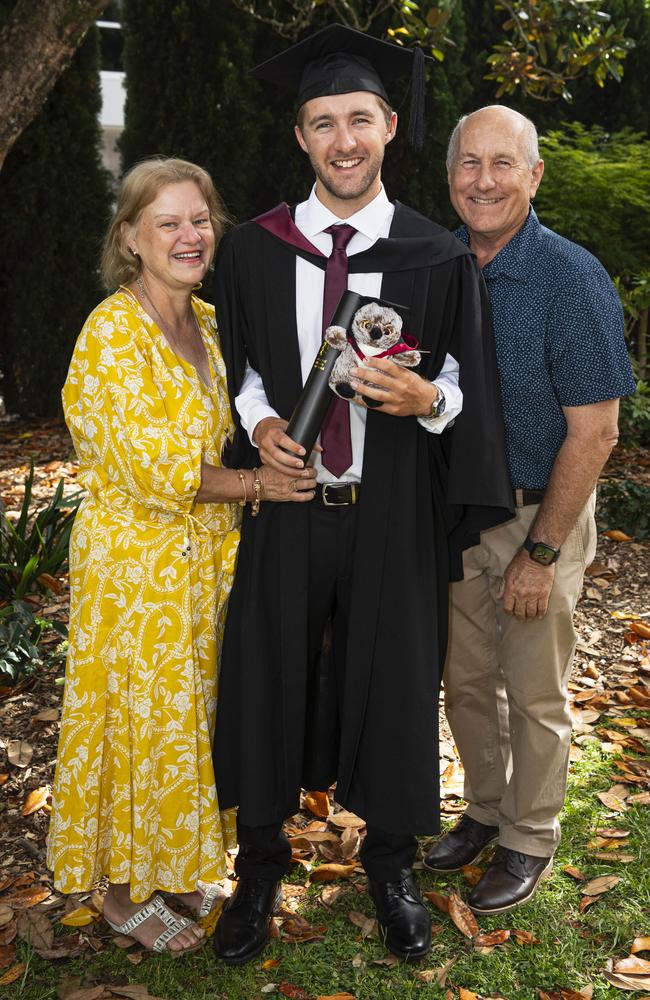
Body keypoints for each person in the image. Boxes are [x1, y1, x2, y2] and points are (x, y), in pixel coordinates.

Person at [211, 25, 513, 965]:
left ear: (388, 126)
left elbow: (466, 382)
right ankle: (259, 862)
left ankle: (391, 863)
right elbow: (242, 367)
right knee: (268, 670)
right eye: (321, 122)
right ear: (301, 137)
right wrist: (260, 423)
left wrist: (429, 400)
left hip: (386, 507)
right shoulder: (256, 250)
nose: (342, 139)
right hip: (290, 500)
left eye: (359, 119)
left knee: (394, 680)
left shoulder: (434, 255)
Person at [47, 158, 315, 956]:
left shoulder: (206, 322)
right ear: (131, 237)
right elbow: (149, 467)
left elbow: (240, 417)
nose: (189, 236)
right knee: (137, 720)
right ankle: (125, 893)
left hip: (202, 564)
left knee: (189, 719)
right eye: (167, 222)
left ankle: (169, 862)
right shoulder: (112, 331)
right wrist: (259, 483)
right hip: (135, 568)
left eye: (199, 219)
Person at [423, 106, 636, 915]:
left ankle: (530, 835)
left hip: (534, 513)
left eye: (502, 164)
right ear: (450, 178)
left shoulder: (569, 278)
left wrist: (541, 551)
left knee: (534, 688)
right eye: (468, 165)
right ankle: (485, 811)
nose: (483, 181)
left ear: (534, 175)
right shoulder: (436, 264)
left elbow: (598, 428)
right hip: (455, 514)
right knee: (467, 680)